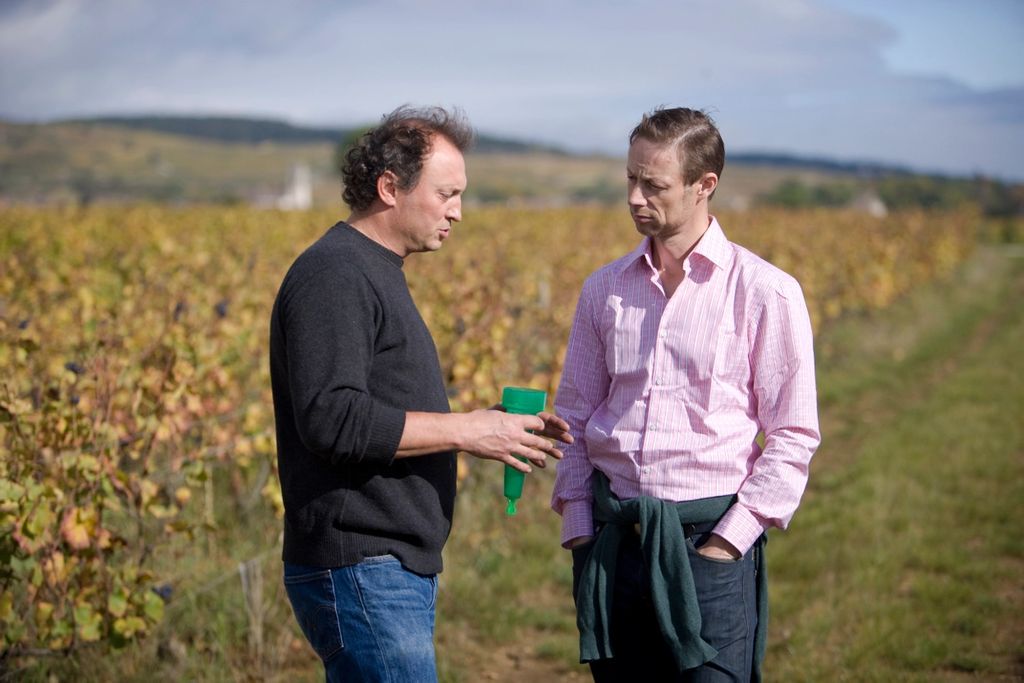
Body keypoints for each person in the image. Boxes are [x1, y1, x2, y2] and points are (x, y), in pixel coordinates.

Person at [269, 105, 571, 683]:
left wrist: (493, 423)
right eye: (445, 194)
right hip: (361, 564)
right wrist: (469, 431)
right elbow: (332, 418)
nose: (457, 212)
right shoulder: (335, 274)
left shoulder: (372, 269)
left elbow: (377, 404)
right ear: (390, 188)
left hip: (382, 566)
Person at [551, 107, 821, 682]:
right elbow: (574, 413)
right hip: (614, 545)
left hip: (709, 547)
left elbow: (793, 433)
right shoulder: (603, 289)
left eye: (654, 185)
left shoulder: (766, 291)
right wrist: (579, 525)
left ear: (704, 185)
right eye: (631, 178)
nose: (635, 197)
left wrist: (729, 543)